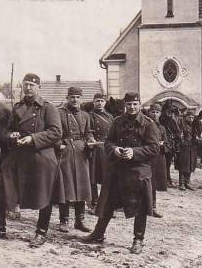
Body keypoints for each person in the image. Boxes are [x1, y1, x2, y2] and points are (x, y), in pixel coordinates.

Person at [0, 73, 62, 248]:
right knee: (2, 188)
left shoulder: (48, 108)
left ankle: (41, 232)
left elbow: (56, 132)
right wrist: (10, 136)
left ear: (39, 88)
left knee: (44, 196)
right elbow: (5, 131)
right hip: (18, 156)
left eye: (32, 85)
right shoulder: (17, 108)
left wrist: (33, 139)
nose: (28, 88)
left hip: (40, 157)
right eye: (25, 85)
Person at [81, 92, 159, 254]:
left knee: (141, 206)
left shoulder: (148, 124)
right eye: (129, 104)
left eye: (135, 104)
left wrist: (134, 152)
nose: (131, 107)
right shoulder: (117, 122)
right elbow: (109, 141)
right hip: (118, 168)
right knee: (108, 202)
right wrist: (115, 149)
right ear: (125, 105)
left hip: (138, 169)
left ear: (140, 105)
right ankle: (98, 233)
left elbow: (154, 148)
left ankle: (138, 239)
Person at [57, 87, 96, 233]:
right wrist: (59, 144)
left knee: (82, 186)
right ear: (67, 98)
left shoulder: (85, 115)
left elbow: (88, 133)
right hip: (65, 151)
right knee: (66, 186)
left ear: (81, 99)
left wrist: (91, 140)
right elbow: (54, 131)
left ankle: (79, 221)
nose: (75, 100)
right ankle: (64, 220)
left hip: (81, 152)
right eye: (72, 97)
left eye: (77, 97)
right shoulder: (59, 113)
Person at [88, 93, 114, 213]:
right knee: (93, 176)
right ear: (93, 102)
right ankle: (94, 203)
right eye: (97, 101)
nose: (99, 103)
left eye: (102, 101)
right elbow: (88, 131)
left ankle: (106, 204)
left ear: (105, 103)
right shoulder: (90, 116)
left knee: (107, 178)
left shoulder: (110, 116)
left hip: (108, 149)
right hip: (95, 149)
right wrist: (91, 139)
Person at [148, 103, 172, 218]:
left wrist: (162, 145)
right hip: (147, 158)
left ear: (160, 114)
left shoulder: (162, 128)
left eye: (157, 112)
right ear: (149, 113)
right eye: (152, 112)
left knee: (154, 183)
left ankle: (152, 207)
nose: (155, 114)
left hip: (158, 159)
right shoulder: (145, 125)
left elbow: (168, 145)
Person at [176, 110, 200, 191]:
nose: (191, 119)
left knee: (190, 165)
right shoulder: (182, 125)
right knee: (183, 165)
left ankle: (187, 183)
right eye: (189, 117)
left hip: (192, 148)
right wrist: (183, 143)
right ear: (186, 117)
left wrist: (197, 139)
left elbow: (196, 135)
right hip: (184, 148)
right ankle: (181, 184)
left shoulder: (194, 126)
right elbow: (180, 136)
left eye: (192, 117)